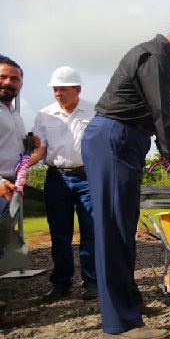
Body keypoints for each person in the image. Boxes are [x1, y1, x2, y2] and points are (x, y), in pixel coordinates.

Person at [81, 4, 170, 339]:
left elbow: (158, 119)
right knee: (112, 229)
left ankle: (129, 301)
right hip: (114, 138)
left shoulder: (164, 58)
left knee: (125, 227)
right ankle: (120, 326)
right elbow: (163, 116)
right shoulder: (155, 56)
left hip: (126, 141)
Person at [30, 67, 97, 303]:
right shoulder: (43, 115)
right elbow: (40, 150)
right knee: (60, 233)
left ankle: (92, 281)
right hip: (57, 178)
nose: (58, 94)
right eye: (55, 89)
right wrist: (22, 167)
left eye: (63, 89)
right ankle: (61, 283)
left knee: (90, 230)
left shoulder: (94, 111)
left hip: (87, 178)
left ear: (77, 89)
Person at [0, 55, 31, 328]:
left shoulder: (15, 115)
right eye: (3, 77)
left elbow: (22, 153)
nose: (9, 83)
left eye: (15, 78)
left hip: (10, 189)